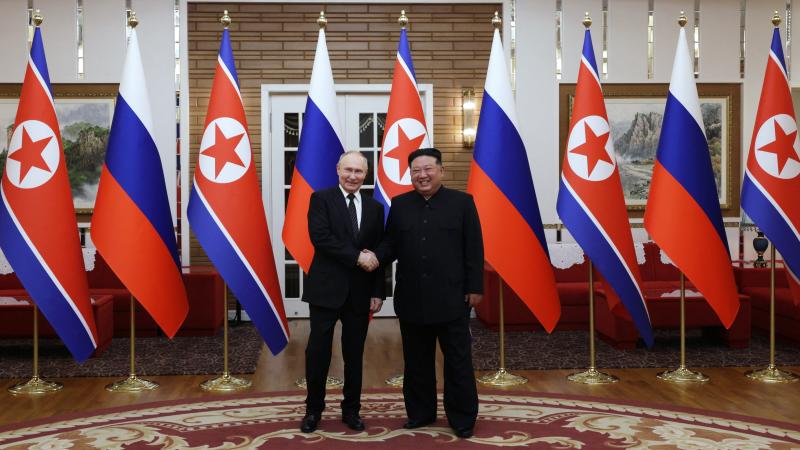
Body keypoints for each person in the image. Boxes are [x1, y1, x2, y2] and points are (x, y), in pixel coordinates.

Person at [370, 147, 484, 439]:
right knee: (416, 362)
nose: (422, 175)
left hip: (452, 299)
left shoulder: (462, 203)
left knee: (457, 361)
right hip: (412, 299)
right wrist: (371, 257)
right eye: (415, 171)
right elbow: (390, 246)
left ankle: (462, 418)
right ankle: (420, 414)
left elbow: (474, 249)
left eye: (427, 169)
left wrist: (475, 287)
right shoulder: (400, 204)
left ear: (441, 171)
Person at [300, 151, 385, 433]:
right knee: (318, 353)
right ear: (337, 170)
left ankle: (352, 410)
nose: (352, 176)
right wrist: (356, 257)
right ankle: (313, 411)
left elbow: (376, 252)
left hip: (360, 293)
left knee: (354, 354)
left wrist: (378, 291)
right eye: (348, 170)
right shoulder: (321, 199)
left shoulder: (375, 208)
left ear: (366, 174)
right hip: (326, 290)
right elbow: (321, 238)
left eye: (358, 172)